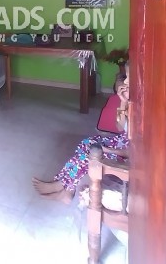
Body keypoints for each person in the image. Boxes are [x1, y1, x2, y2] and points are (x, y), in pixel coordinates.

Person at [32, 66, 130, 204]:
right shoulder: (131, 103)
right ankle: (66, 188)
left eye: (129, 79)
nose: (125, 83)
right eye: (126, 78)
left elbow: (133, 152)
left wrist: (107, 150)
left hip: (126, 154)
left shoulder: (146, 113)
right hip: (121, 141)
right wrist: (123, 102)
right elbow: (120, 127)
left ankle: (63, 187)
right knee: (86, 143)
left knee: (85, 158)